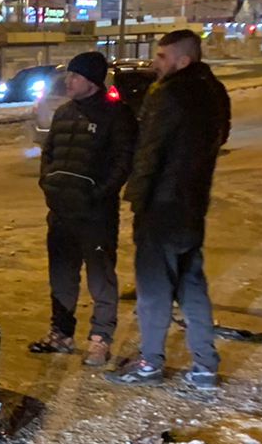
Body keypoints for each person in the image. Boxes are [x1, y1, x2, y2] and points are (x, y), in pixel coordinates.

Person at [111, 29, 224, 388]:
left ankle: (150, 363)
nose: (155, 64)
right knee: (192, 284)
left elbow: (149, 153)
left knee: (154, 291)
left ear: (183, 60)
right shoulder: (214, 92)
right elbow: (219, 138)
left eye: (162, 57)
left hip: (162, 207)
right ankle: (205, 366)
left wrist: (137, 200)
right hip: (192, 205)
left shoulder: (167, 94)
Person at [29, 51, 137, 369]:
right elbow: (48, 154)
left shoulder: (117, 116)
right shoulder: (63, 113)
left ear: (91, 81)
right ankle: (61, 333)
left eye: (75, 76)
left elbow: (123, 163)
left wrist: (98, 195)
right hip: (61, 211)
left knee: (100, 278)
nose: (68, 81)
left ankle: (100, 339)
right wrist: (47, 184)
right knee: (62, 275)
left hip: (96, 214)